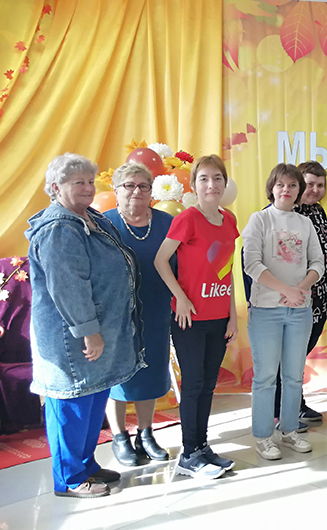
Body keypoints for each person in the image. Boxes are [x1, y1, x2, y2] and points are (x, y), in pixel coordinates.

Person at [26, 153, 143, 498]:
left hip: (96, 334)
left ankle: (86, 464)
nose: (88, 188)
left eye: (90, 181)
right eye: (78, 182)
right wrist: (88, 331)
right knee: (72, 405)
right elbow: (68, 287)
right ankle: (70, 478)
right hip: (72, 338)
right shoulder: (59, 229)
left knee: (93, 398)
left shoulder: (88, 217)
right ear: (55, 187)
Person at [154, 154, 239, 479]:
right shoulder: (187, 219)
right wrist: (180, 297)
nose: (211, 184)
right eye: (204, 178)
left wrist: (232, 316)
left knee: (208, 386)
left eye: (217, 178)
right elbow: (161, 261)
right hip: (190, 318)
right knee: (193, 384)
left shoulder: (228, 220)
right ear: (193, 185)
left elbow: (227, 270)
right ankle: (189, 453)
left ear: (224, 183)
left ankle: (202, 446)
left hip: (219, 317)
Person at [242, 163, 323, 460]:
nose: (286, 190)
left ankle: (289, 429)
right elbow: (252, 264)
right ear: (272, 188)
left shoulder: (305, 223)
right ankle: (264, 436)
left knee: (293, 376)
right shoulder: (259, 219)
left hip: (299, 310)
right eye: (280, 184)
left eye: (292, 185)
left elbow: (318, 263)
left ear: (299, 190)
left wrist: (299, 289)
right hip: (266, 310)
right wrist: (285, 290)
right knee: (265, 377)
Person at [102, 162, 174, 467]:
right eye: (129, 185)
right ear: (116, 190)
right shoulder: (103, 223)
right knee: (117, 375)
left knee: (152, 371)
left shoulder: (167, 222)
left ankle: (146, 434)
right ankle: (120, 437)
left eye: (144, 186)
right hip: (116, 314)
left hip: (157, 308)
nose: (137, 191)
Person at [272, 160, 327, 426]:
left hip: (318, 299)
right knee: (284, 357)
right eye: (309, 184)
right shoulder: (283, 212)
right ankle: (279, 409)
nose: (315, 190)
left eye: (320, 185)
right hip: (290, 298)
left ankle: (296, 402)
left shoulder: (318, 212)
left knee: (298, 356)